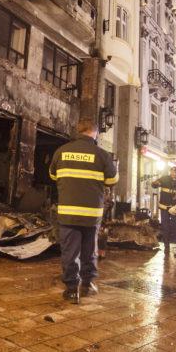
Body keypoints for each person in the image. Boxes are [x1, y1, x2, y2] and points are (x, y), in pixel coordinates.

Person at [49, 120, 118, 304]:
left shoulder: (61, 151)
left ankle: (72, 291)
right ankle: (87, 285)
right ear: (94, 134)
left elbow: (53, 175)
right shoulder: (101, 154)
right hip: (91, 213)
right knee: (89, 250)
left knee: (69, 251)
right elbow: (113, 179)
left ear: (77, 131)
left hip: (68, 212)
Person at [151, 166, 176, 255]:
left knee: (175, 226)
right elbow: (156, 184)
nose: (172, 173)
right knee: (165, 227)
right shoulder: (165, 179)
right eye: (171, 171)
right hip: (164, 207)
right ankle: (166, 246)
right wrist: (155, 183)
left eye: (174, 172)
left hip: (174, 208)